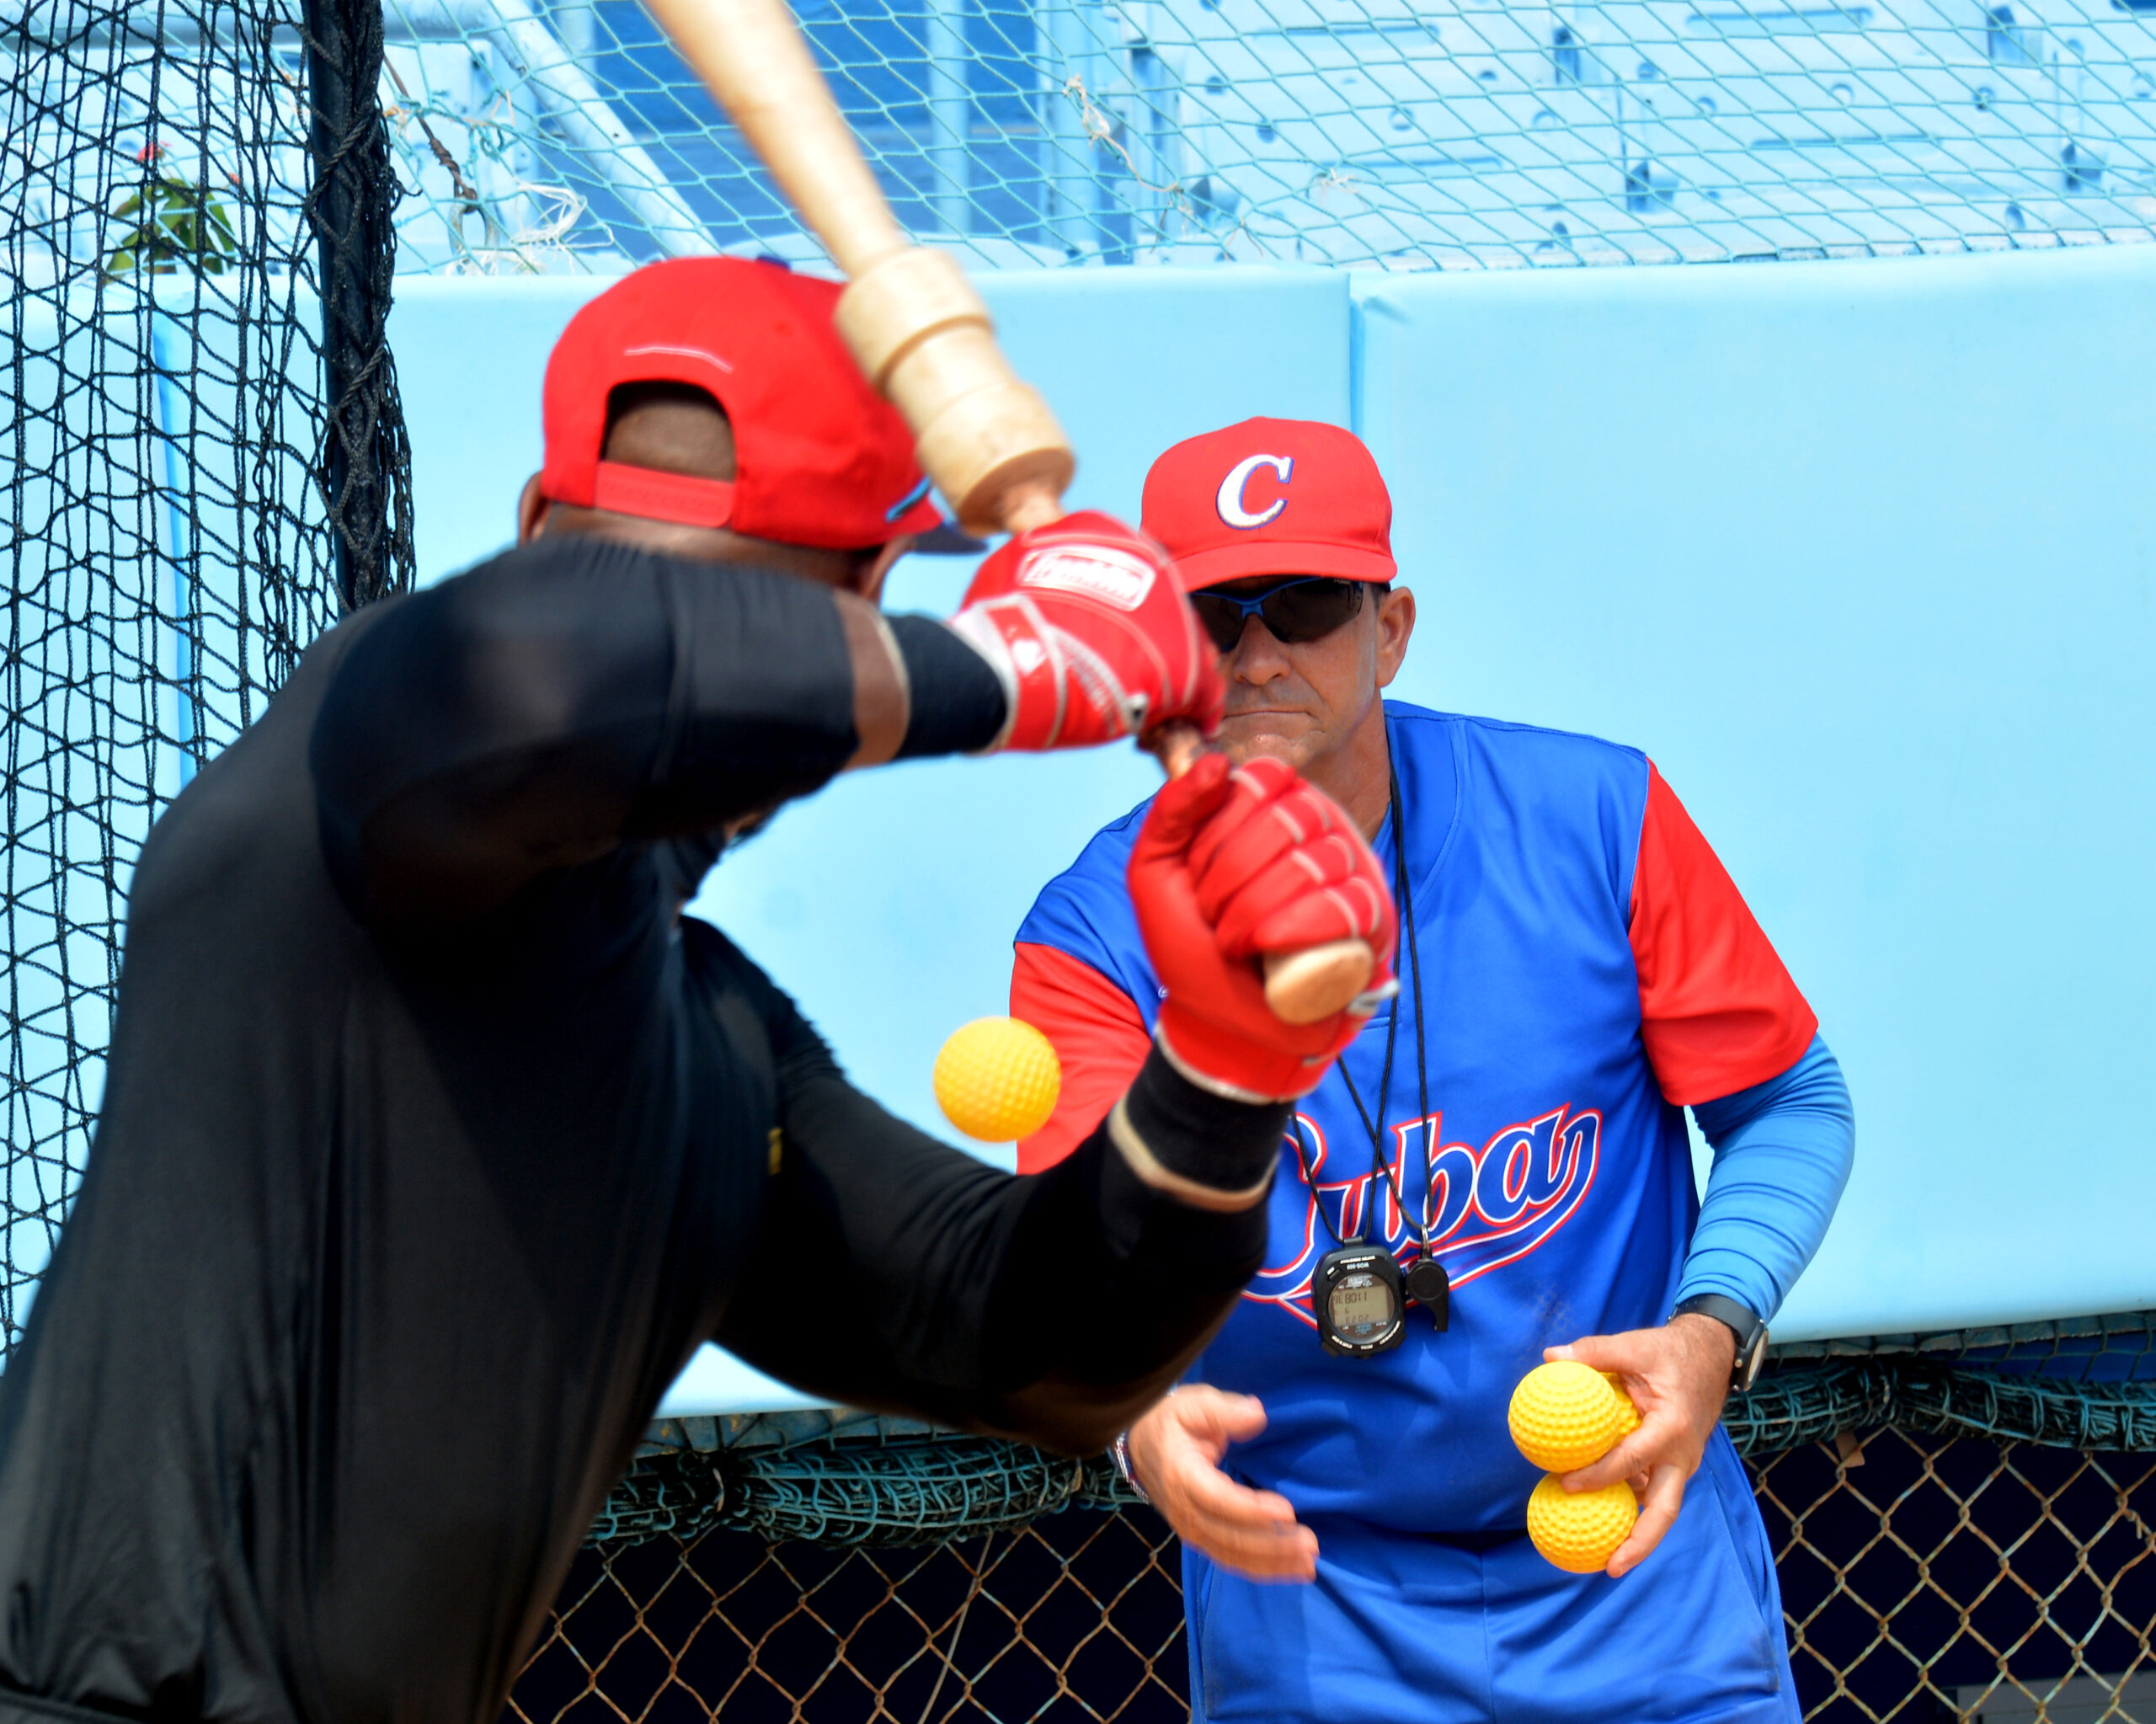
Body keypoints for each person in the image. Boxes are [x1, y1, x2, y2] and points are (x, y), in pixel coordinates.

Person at [0, 268, 1400, 1724]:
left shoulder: (705, 1044)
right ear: (867, 602)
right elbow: (542, 679)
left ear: (531, 520)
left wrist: (1227, 1065)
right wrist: (999, 669)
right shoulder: (359, 761)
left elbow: (1042, 1350)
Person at [1008, 417, 1858, 1724]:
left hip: (1632, 1549)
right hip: (1312, 1596)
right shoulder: (1097, 937)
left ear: (1391, 628)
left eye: (1304, 606)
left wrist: (1709, 1332)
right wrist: (1130, 1418)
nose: (1257, 656)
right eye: (1211, 619)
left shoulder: (1595, 816)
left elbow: (1789, 1104)